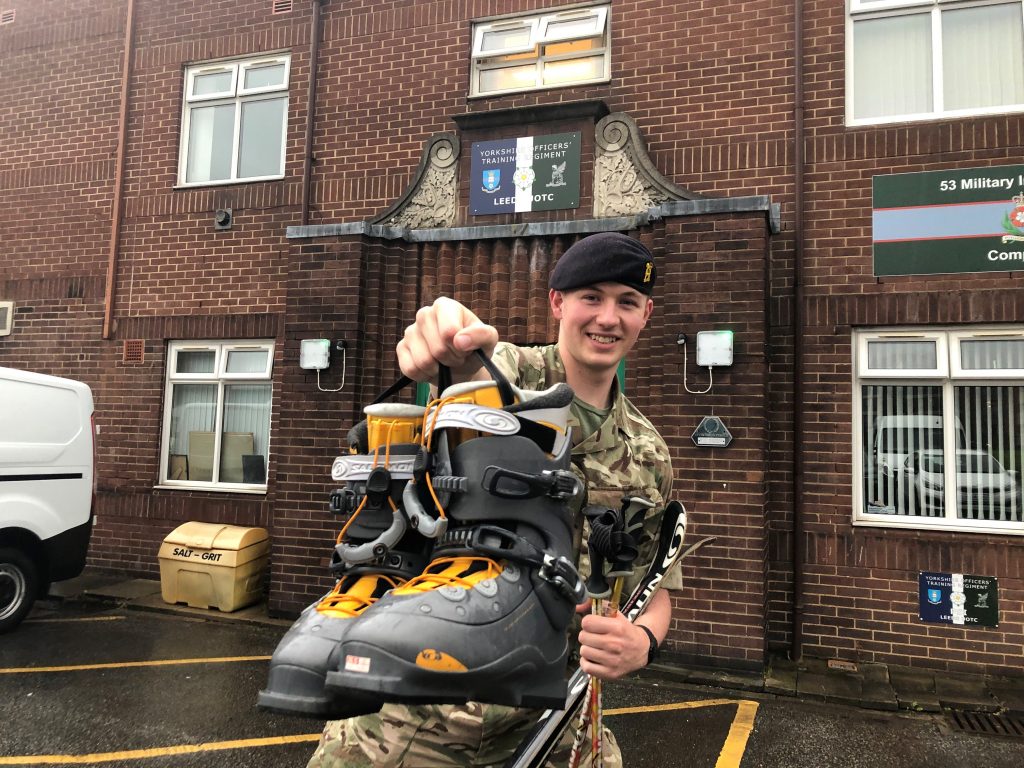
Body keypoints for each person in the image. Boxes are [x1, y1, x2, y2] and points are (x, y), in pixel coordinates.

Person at [307, 232, 682, 768]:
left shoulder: (649, 451)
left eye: (627, 302)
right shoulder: (507, 379)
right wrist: (448, 335)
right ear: (558, 303)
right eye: (591, 297)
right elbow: (470, 369)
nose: (607, 317)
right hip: (407, 713)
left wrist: (642, 641)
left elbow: (657, 583)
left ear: (646, 314)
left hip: (550, 716)